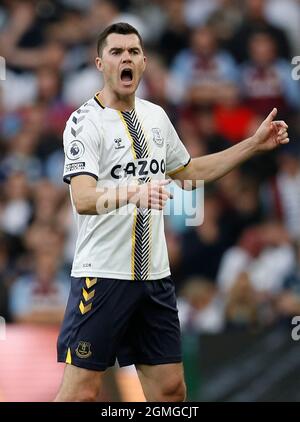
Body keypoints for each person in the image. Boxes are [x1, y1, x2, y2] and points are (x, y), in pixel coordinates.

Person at [54, 22, 289, 402]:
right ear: (100, 63)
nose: (125, 58)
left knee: (170, 391)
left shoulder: (156, 117)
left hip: (155, 278)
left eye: (133, 51)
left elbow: (190, 171)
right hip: (103, 276)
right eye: (116, 52)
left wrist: (252, 145)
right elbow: (82, 197)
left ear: (144, 62)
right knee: (81, 393)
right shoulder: (84, 122)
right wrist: (135, 191)